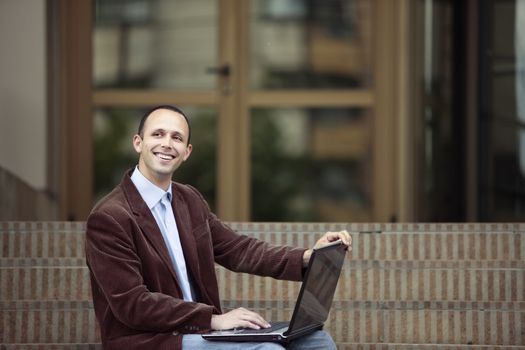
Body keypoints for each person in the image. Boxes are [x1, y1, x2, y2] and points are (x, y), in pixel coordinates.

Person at [85, 105, 352, 350]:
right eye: (158, 134)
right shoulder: (110, 217)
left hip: (201, 333)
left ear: (187, 152)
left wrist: (308, 257)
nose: (167, 144)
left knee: (317, 341)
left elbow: (239, 250)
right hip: (151, 341)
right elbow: (132, 304)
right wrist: (212, 319)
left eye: (177, 138)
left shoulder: (189, 200)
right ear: (138, 142)